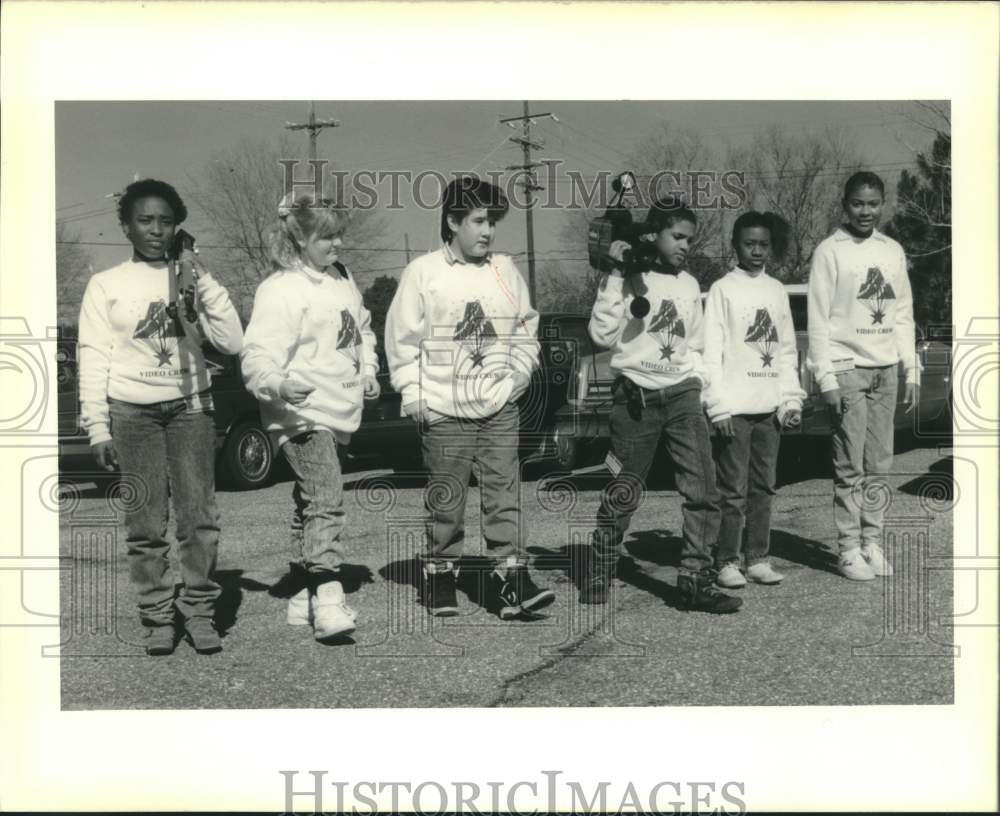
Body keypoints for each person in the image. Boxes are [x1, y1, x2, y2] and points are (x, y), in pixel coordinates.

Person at [78, 178, 243, 656]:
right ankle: (156, 616)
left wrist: (199, 275)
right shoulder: (106, 284)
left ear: (179, 227)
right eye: (145, 220)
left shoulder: (193, 276)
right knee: (145, 522)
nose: (155, 230)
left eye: (166, 221)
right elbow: (94, 357)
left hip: (191, 408)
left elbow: (231, 341)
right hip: (132, 413)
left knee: (200, 518)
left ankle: (199, 611)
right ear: (126, 225)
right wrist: (97, 427)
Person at [384, 176, 555, 620]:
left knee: (504, 494)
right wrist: (414, 395)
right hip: (444, 408)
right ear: (452, 221)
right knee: (447, 499)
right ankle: (440, 574)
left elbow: (526, 328)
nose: (488, 231)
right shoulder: (423, 273)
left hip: (500, 406)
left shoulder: (505, 270)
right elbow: (402, 340)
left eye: (493, 221)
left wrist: (520, 373)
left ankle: (511, 577)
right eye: (479, 221)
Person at [580, 197, 741, 613]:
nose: (685, 245)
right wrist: (615, 274)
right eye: (677, 236)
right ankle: (600, 565)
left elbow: (700, 346)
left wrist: (707, 394)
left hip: (683, 393)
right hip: (635, 398)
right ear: (654, 235)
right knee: (624, 489)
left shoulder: (689, 285)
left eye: (690, 238)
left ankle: (694, 579)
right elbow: (601, 335)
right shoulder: (630, 275)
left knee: (704, 489)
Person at [240, 191, 379, 642]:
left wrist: (370, 371)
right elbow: (258, 353)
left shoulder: (341, 278)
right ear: (299, 239)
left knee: (309, 501)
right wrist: (278, 385)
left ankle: (301, 591)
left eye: (340, 234)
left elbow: (361, 329)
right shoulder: (280, 288)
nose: (337, 244)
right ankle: (328, 593)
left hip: (339, 407)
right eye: (326, 237)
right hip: (300, 412)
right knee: (326, 497)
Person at [807, 171, 919, 581]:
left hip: (886, 369)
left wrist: (911, 368)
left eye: (873, 204)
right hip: (848, 369)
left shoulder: (892, 250)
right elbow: (819, 321)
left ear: (883, 204)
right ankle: (848, 548)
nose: (866, 211)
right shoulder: (829, 251)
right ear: (845, 204)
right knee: (849, 465)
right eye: (858, 203)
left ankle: (873, 541)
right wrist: (827, 379)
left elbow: (903, 313)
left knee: (880, 465)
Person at [702, 211, 805, 589]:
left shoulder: (776, 290)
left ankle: (758, 557)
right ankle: (726, 559)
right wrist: (718, 405)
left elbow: (787, 350)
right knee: (732, 491)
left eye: (763, 244)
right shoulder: (722, 289)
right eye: (749, 244)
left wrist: (790, 398)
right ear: (735, 245)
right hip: (736, 410)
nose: (757, 251)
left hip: (770, 410)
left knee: (764, 486)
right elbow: (709, 352)